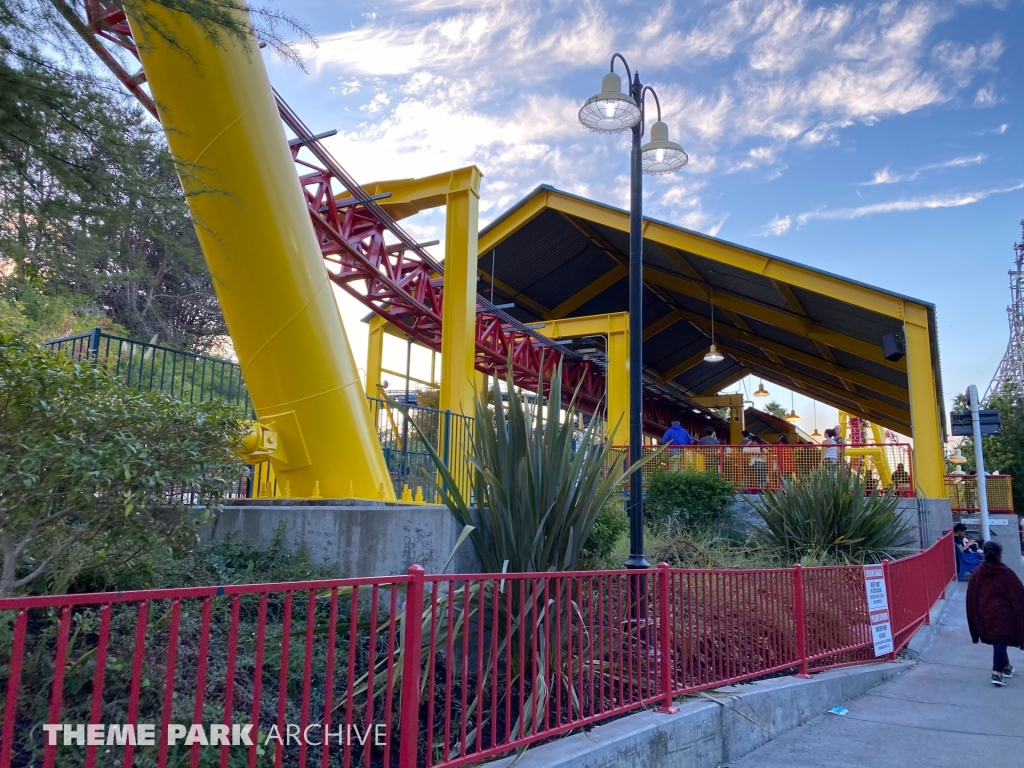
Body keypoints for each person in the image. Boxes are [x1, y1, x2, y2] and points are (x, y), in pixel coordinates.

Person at [966, 540, 1024, 686]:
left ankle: (1005, 666)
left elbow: (971, 596)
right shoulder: (1006, 573)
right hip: (1004, 613)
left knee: (999, 640)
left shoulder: (978, 573)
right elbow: (1019, 595)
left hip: (984, 612)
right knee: (1000, 639)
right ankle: (996, 673)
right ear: (1000, 554)